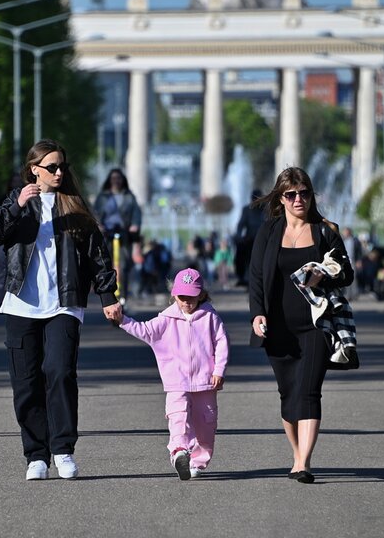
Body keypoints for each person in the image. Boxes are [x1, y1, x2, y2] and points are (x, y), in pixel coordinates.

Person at [0, 139, 122, 481]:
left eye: (63, 167)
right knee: (26, 382)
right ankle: (36, 455)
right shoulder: (15, 203)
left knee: (60, 373)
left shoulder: (73, 207)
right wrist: (17, 206)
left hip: (64, 302)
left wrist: (108, 297)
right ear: (34, 170)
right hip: (20, 303)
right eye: (51, 167)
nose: (59, 173)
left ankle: (62, 450)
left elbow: (97, 254)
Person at [248, 167, 354, 484]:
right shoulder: (269, 232)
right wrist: (257, 314)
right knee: (288, 393)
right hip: (277, 327)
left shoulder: (325, 232)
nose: (299, 199)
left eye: (304, 193)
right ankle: (295, 453)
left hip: (316, 325)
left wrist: (326, 273)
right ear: (280, 198)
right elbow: (255, 277)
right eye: (291, 194)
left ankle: (304, 462)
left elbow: (347, 274)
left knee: (309, 391)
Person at [114, 267, 229, 480]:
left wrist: (219, 370)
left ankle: (197, 461)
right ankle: (179, 451)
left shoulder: (210, 317)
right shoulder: (166, 319)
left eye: (192, 296)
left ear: (202, 294)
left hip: (206, 381)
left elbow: (222, 343)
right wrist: (122, 321)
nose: (187, 301)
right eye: (182, 296)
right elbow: (145, 330)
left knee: (206, 425)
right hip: (177, 380)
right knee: (178, 416)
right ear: (174, 295)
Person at [93, 168, 142, 297]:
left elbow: (136, 213)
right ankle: (108, 293)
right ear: (109, 180)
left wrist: (135, 225)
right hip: (107, 233)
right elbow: (95, 213)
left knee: (124, 263)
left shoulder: (129, 196)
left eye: (118, 178)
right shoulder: (103, 197)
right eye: (113, 178)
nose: (116, 181)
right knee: (105, 262)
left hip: (124, 232)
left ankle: (124, 294)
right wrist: (99, 225)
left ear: (122, 180)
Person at [234, 189, 265, 286]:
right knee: (240, 254)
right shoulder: (247, 210)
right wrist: (239, 237)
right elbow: (240, 225)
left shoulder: (267, 209)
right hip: (249, 241)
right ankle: (242, 276)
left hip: (264, 241)